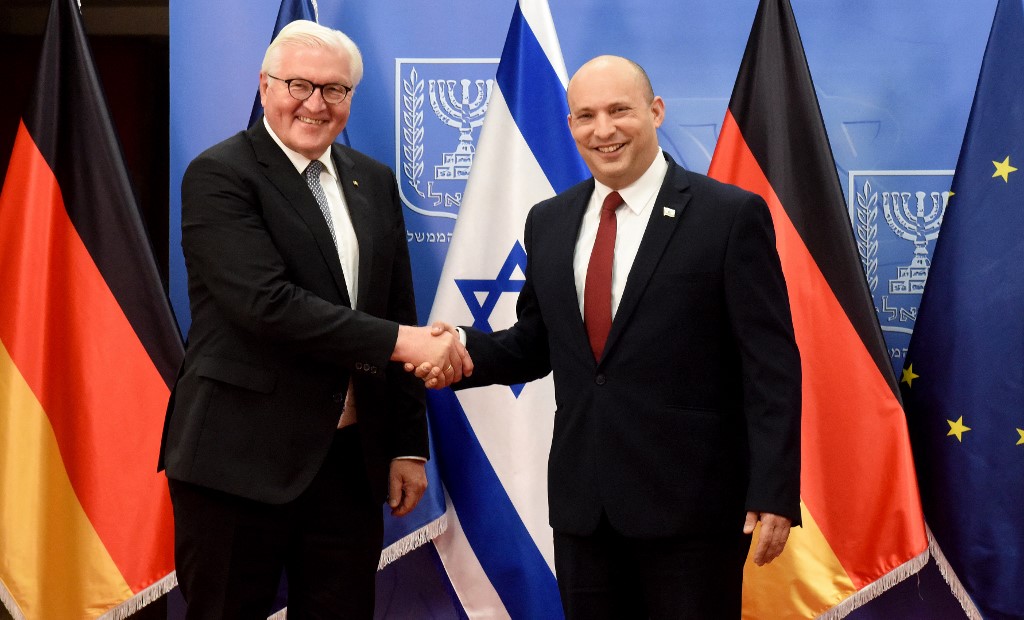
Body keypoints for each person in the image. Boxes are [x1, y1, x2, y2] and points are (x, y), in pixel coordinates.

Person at [415, 55, 801, 619]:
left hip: (693, 512)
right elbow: (536, 343)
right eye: (586, 116)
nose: (603, 130)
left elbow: (770, 366)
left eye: (620, 111)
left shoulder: (729, 216)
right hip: (584, 508)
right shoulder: (549, 221)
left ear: (656, 111)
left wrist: (774, 490)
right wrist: (461, 351)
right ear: (570, 125)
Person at [158, 20, 469, 618]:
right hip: (236, 460)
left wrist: (406, 444)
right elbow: (266, 304)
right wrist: (405, 342)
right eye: (299, 85)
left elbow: (396, 307)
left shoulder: (373, 181)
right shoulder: (221, 174)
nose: (315, 103)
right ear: (266, 85)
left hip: (349, 464)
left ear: (352, 97)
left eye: (334, 90)